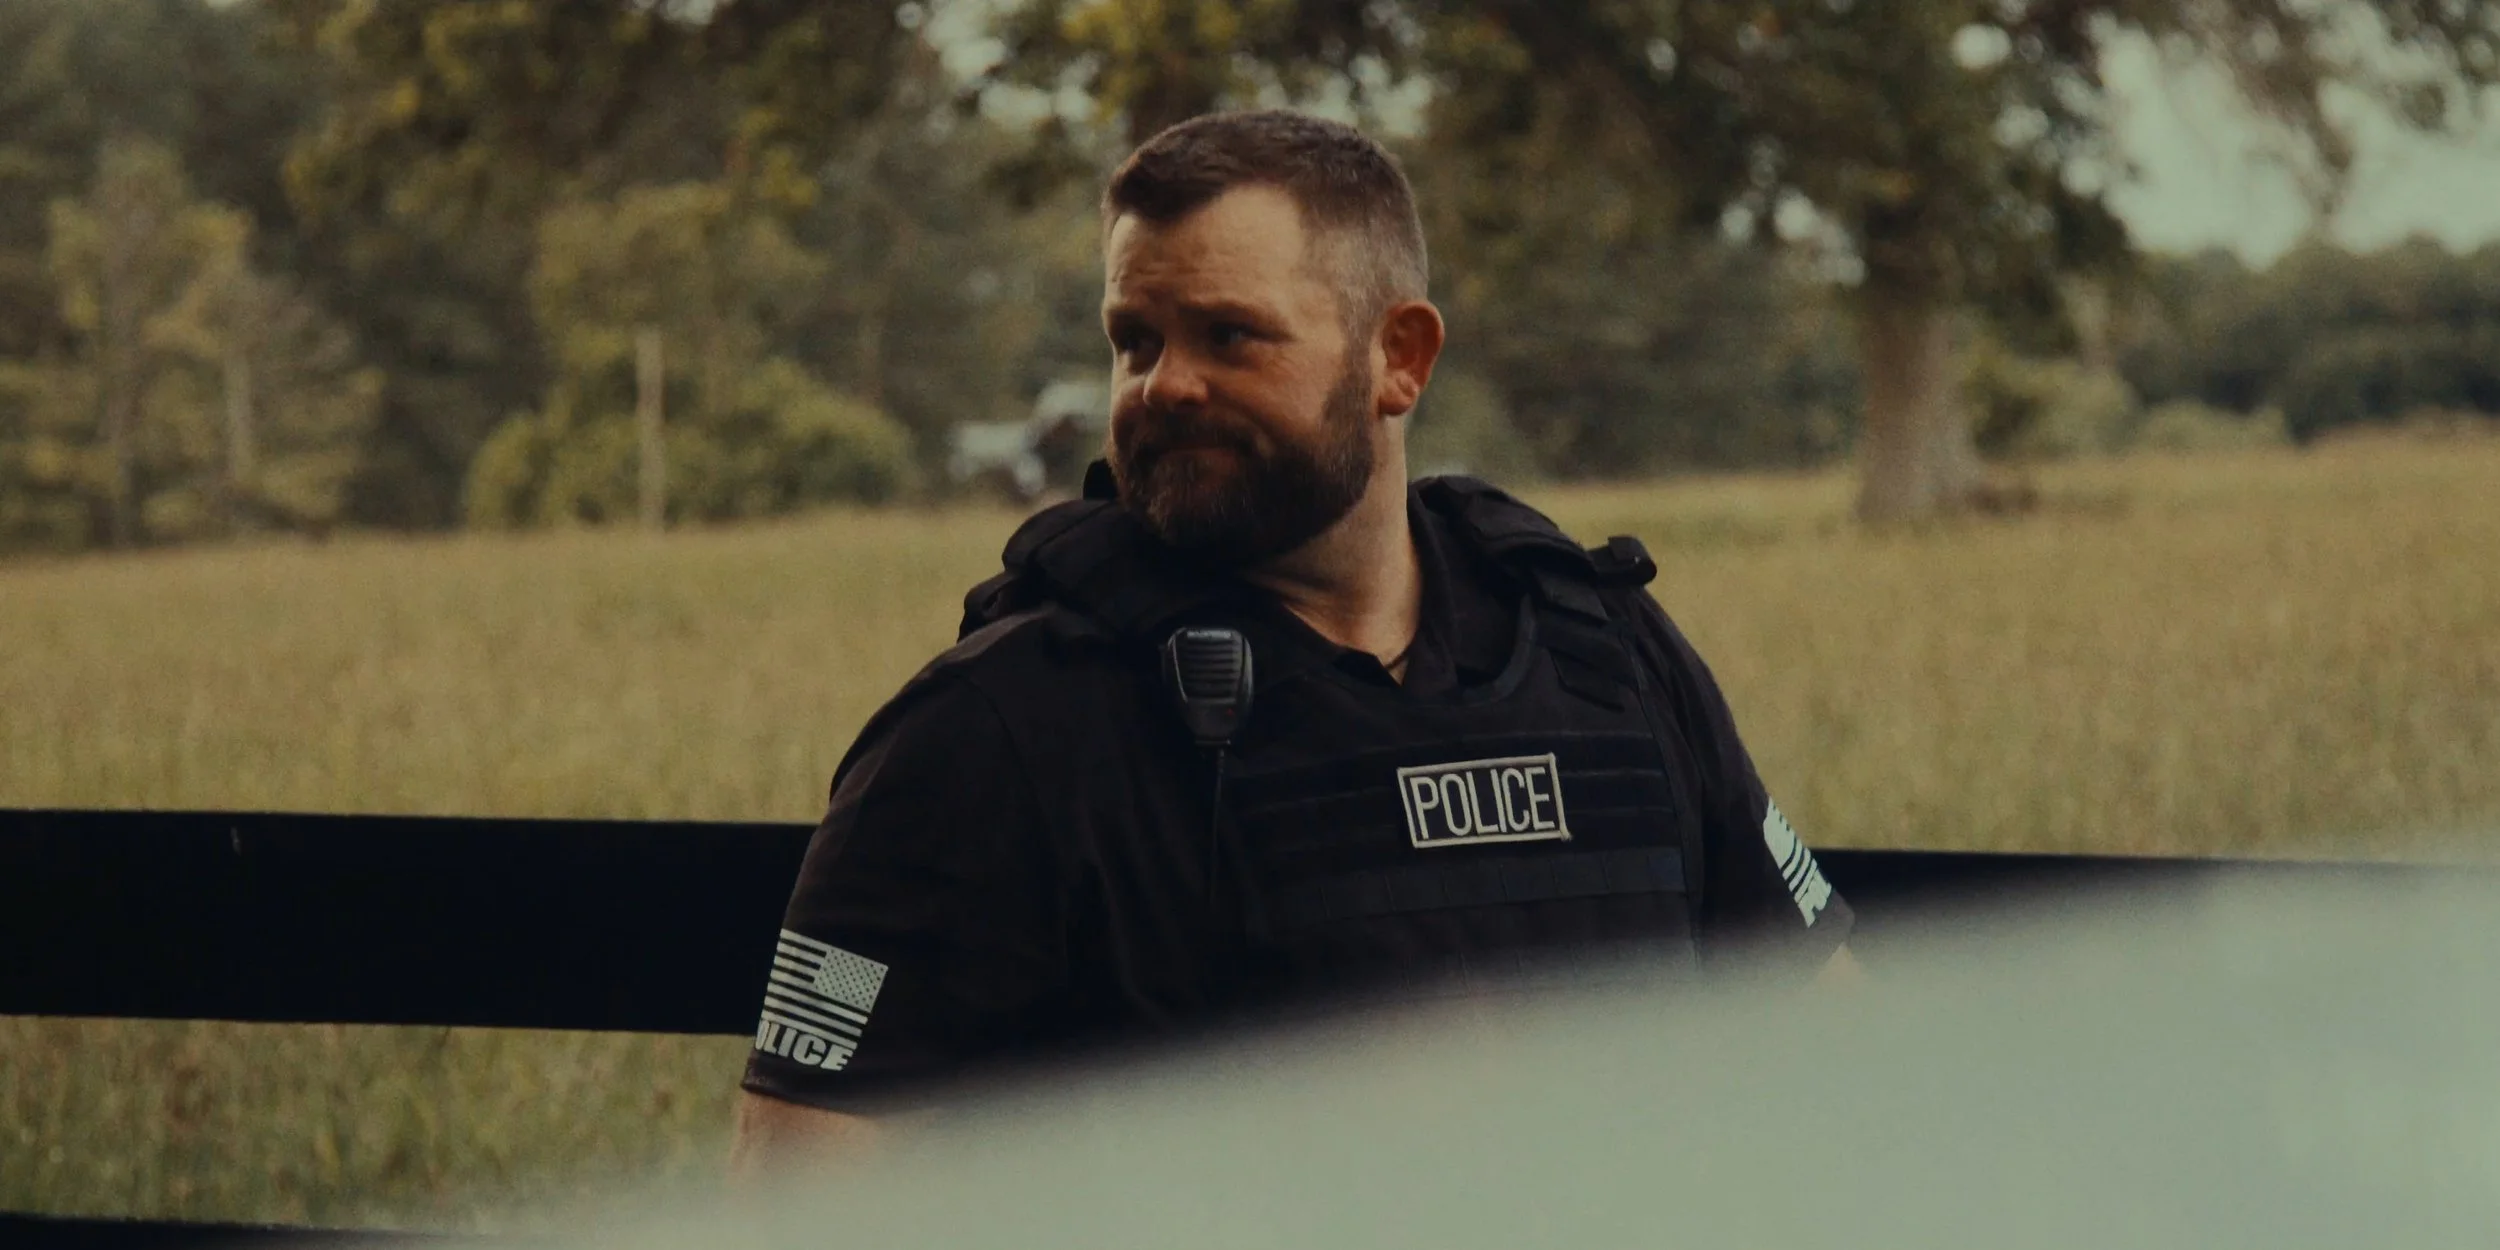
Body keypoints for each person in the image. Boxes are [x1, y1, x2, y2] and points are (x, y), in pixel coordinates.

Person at [734, 110, 1854, 1169]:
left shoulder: (1601, 653)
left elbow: (1831, 1057)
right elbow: (800, 1190)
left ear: (1398, 358)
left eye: (1229, 335)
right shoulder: (993, 730)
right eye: (1134, 340)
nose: (1165, 384)